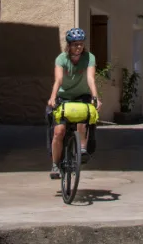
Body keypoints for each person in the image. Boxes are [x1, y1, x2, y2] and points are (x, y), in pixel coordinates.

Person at [48, 27, 102, 179]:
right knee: (59, 131)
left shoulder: (89, 57)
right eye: (75, 44)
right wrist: (52, 97)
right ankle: (55, 163)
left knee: (82, 120)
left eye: (81, 44)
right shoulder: (61, 59)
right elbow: (58, 80)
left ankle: (82, 149)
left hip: (82, 95)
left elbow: (91, 78)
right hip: (64, 96)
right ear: (69, 45)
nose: (78, 47)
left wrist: (95, 97)